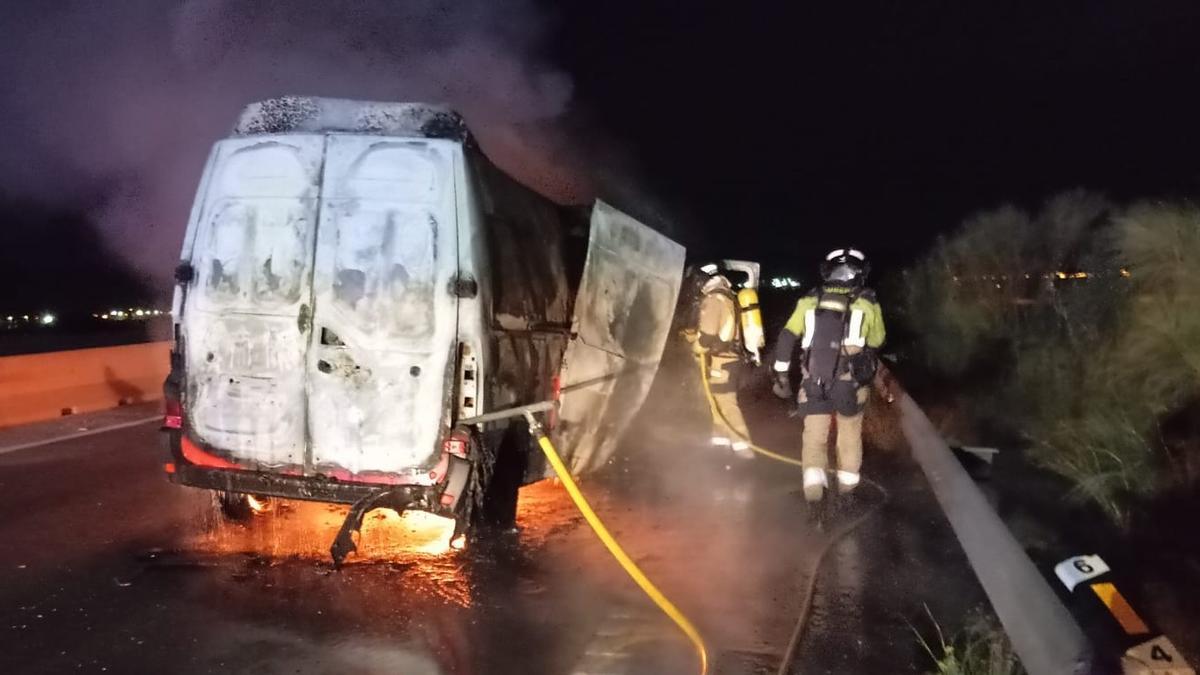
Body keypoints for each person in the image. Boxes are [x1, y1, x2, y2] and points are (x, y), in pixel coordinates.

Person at [772, 248, 886, 502]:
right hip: (851, 385)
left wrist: (780, 374)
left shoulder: (809, 300)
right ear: (859, 273)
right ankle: (847, 494)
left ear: (828, 272)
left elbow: (787, 336)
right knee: (849, 437)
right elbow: (878, 339)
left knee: (814, 440)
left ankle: (815, 498)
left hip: (814, 382)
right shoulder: (867, 302)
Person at [694, 263, 755, 459]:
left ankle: (744, 451)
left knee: (726, 404)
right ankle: (720, 449)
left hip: (722, 361)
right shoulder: (729, 296)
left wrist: (696, 348)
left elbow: (708, 334)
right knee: (718, 404)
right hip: (730, 359)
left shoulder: (714, 299)